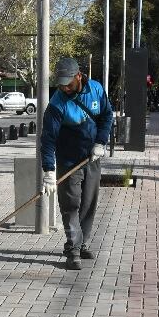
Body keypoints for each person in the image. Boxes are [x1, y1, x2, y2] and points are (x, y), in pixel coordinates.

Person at [39, 57, 114, 271]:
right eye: (61, 83)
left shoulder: (96, 90)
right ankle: (72, 249)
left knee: (89, 203)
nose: (64, 87)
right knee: (71, 204)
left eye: (68, 83)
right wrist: (49, 170)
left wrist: (101, 142)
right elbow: (48, 138)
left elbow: (107, 116)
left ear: (78, 76)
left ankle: (83, 244)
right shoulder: (57, 102)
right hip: (68, 160)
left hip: (92, 157)